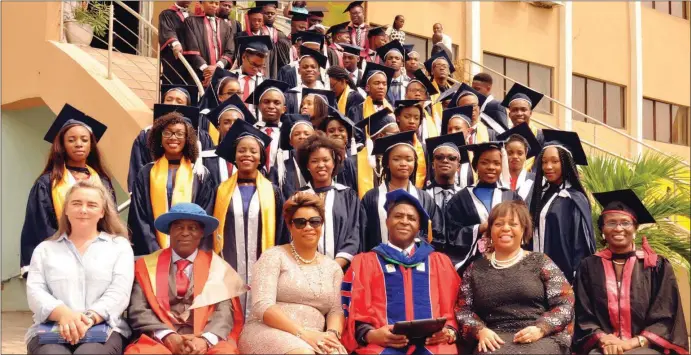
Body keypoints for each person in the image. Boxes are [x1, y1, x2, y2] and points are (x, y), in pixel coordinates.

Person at [343, 189, 460, 354]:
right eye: (398, 216)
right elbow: (354, 310)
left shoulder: (439, 262)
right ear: (387, 221)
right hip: (381, 344)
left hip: (434, 345)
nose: (405, 221)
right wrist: (370, 335)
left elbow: (456, 306)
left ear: (419, 226)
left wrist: (449, 331)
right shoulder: (365, 262)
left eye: (412, 218)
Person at [573, 189, 689, 355]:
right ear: (603, 230)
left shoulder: (656, 265)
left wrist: (633, 343)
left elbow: (666, 315)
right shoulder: (589, 266)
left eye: (625, 223)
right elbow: (583, 314)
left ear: (635, 229)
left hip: (645, 346)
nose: (618, 228)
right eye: (611, 223)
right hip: (603, 346)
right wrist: (605, 339)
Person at [25, 180, 133, 355]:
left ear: (102, 212)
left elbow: (119, 292)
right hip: (52, 329)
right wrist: (64, 315)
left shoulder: (119, 247)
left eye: (91, 205)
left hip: (104, 328)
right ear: (66, 209)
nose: (83, 210)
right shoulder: (45, 250)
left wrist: (89, 318)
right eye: (76, 203)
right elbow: (35, 292)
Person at [455, 200, 575, 354]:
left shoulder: (540, 262)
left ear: (524, 230)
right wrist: (480, 331)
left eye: (513, 224)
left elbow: (565, 302)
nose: (505, 228)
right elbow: (463, 310)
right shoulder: (474, 269)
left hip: (540, 337)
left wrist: (541, 328)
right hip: (494, 339)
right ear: (490, 230)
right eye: (498, 224)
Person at [125, 203, 245, 355]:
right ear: (169, 231)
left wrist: (205, 340)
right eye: (179, 227)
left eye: (192, 228)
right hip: (159, 338)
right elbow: (138, 309)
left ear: (201, 232)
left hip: (204, 336)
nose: (185, 233)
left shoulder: (217, 267)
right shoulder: (146, 266)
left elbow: (224, 313)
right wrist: (167, 335)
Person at [238, 192, 347, 354]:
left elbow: (336, 310)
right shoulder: (274, 256)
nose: (308, 227)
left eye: (315, 222)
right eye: (300, 222)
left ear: (321, 225)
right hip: (268, 331)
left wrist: (331, 335)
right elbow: (262, 306)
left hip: (314, 335)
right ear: (290, 226)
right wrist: (303, 334)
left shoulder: (333, 268)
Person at [21, 105, 114, 276]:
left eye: (84, 140)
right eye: (71, 140)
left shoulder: (102, 181)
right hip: (58, 260)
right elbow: (40, 223)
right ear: (62, 145)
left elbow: (110, 221)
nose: (79, 144)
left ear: (91, 145)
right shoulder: (47, 182)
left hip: (98, 258)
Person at [211, 119, 286, 313]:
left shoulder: (273, 191)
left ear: (261, 158)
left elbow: (281, 231)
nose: (247, 155)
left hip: (263, 264)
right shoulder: (220, 191)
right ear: (234, 156)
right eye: (241, 150)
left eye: (253, 151)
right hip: (228, 263)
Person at [128, 108, 216, 256]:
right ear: (159, 138)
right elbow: (139, 217)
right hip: (152, 253)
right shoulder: (146, 173)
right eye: (167, 133)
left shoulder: (200, 174)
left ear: (188, 139)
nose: (173, 137)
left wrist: (190, 249)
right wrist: (155, 251)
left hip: (190, 252)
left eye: (180, 133)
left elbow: (204, 214)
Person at [527, 129, 595, 283]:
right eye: (544, 162)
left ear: (565, 162)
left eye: (554, 161)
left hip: (564, 277)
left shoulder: (574, 199)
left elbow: (580, 246)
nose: (548, 166)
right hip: (536, 275)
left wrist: (576, 280)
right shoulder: (541, 195)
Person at [444, 142, 522, 273]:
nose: (491, 167)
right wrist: (479, 228)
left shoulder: (512, 196)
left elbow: (523, 231)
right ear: (476, 166)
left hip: (509, 264)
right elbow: (451, 234)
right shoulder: (461, 198)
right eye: (485, 163)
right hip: (473, 266)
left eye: (496, 163)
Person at [360, 131, 442, 252]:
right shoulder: (372, 197)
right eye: (397, 159)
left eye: (409, 159)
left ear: (414, 163)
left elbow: (435, 233)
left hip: (416, 263)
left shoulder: (425, 198)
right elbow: (362, 234)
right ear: (387, 163)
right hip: (378, 263)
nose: (403, 164)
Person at [297, 132, 361, 269]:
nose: (321, 165)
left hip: (341, 270)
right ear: (307, 165)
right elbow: (292, 235)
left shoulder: (347, 196)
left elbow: (354, 234)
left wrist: (335, 266)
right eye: (314, 161)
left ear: (334, 163)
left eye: (326, 160)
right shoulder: (299, 197)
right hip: (305, 272)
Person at [128, 85, 201, 192]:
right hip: (151, 190)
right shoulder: (146, 133)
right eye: (169, 99)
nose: (173, 104)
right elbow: (137, 166)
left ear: (187, 106)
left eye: (179, 101)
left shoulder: (200, 136)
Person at [202, 94, 257, 184]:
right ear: (218, 128)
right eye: (226, 122)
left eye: (236, 122)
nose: (232, 126)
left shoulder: (252, 159)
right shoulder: (205, 158)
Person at [182, 1, 236, 87]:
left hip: (220, 74)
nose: (214, 6)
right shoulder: (191, 21)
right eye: (211, 2)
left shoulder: (225, 25)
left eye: (216, 3)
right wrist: (206, 70)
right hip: (198, 73)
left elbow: (230, 51)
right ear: (202, 3)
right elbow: (191, 47)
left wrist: (217, 68)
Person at [424, 132, 466, 238]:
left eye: (452, 158)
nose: (445, 161)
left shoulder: (466, 197)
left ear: (458, 166)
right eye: (439, 157)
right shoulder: (423, 196)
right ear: (433, 164)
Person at [352, 108, 400, 198]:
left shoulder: (394, 161)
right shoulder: (353, 163)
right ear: (381, 136)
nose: (398, 138)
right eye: (395, 134)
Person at [245, 79, 291, 170]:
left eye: (277, 103)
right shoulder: (250, 132)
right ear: (259, 106)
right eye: (266, 102)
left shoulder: (289, 133)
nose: (271, 106)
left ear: (284, 109)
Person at [274, 115, 315, 200]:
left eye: (307, 134)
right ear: (290, 141)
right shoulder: (280, 166)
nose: (302, 136)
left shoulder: (321, 162)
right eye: (297, 134)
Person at [496, 122, 540, 201]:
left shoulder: (535, 180)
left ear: (525, 154)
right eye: (510, 153)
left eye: (520, 153)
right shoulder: (497, 178)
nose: (515, 157)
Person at [393, 100, 429, 187]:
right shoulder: (390, 144)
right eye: (407, 117)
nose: (412, 121)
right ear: (398, 117)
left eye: (416, 118)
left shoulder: (424, 149)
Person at [231, 35, 270, 114]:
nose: (256, 69)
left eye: (260, 66)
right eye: (253, 64)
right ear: (244, 57)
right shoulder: (229, 77)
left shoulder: (265, 83)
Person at [284, 45, 329, 113]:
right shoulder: (290, 95)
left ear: (319, 71)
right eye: (305, 67)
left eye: (313, 67)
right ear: (299, 71)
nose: (309, 70)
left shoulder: (326, 94)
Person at [440, 106, 475, 188]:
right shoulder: (440, 155)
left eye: (457, 128)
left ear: (469, 131)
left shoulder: (474, 154)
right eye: (450, 129)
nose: (453, 132)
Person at [159, 1, 192, 85]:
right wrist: (176, 44)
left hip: (191, 58)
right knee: (173, 83)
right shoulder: (166, 14)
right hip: (174, 57)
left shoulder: (193, 16)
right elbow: (168, 31)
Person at [424, 51, 455, 126]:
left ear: (448, 71)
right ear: (431, 71)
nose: (442, 68)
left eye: (445, 66)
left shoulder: (454, 92)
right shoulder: (426, 90)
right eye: (438, 65)